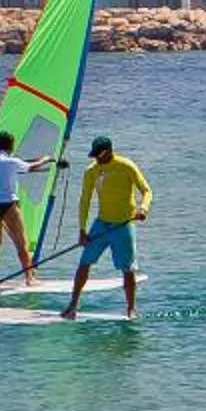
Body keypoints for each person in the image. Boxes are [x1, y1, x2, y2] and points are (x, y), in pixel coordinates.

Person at [64, 136, 151, 319]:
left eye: (99, 155)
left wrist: (143, 208)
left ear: (109, 151)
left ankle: (131, 309)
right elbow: (85, 200)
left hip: (123, 224)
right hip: (101, 224)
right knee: (84, 263)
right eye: (94, 156)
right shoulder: (91, 171)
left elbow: (146, 190)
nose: (96, 160)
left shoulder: (126, 166)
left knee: (127, 269)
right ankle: (72, 306)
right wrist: (82, 230)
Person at [0, 131, 55, 285]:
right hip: (8, 205)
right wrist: (46, 159)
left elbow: (16, 166)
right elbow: (30, 167)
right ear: (10, 145)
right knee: (21, 243)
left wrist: (28, 163)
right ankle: (30, 278)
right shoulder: (12, 162)